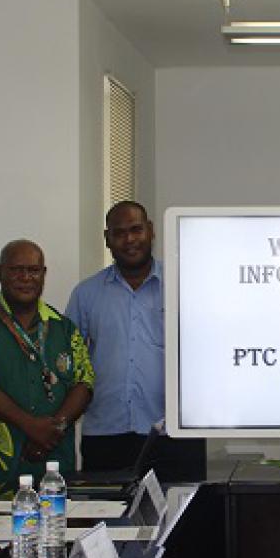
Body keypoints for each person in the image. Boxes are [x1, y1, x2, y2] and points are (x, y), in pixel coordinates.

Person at [67, 201, 205, 473]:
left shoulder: (185, 284)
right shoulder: (86, 294)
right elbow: (68, 362)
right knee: (107, 515)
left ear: (151, 231)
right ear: (108, 239)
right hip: (106, 436)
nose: (129, 240)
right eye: (119, 233)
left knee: (184, 516)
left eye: (136, 230)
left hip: (174, 435)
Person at [0, 239, 95, 500]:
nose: (25, 278)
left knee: (53, 539)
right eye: (16, 270)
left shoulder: (63, 328)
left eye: (33, 270)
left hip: (54, 473)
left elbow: (84, 383)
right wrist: (32, 427)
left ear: (43, 274)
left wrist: (55, 430)